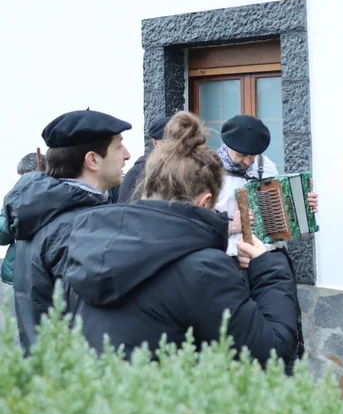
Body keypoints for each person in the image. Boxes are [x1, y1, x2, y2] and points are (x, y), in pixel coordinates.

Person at [61, 112, 299, 365]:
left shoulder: (87, 243)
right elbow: (272, 351)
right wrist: (269, 266)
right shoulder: (206, 270)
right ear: (205, 201)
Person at [5, 109, 131, 351]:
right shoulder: (76, 227)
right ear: (93, 160)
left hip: (52, 364)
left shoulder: (46, 212)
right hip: (77, 367)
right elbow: (95, 320)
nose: (127, 155)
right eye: (118, 146)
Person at [214, 114, 318, 257]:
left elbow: (279, 207)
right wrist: (231, 227)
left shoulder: (265, 165)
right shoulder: (209, 170)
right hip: (230, 255)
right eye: (242, 155)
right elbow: (196, 225)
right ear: (228, 146)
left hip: (267, 252)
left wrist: (302, 204)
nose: (247, 162)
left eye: (252, 156)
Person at [1, 152, 45, 287]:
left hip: (40, 276)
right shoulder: (14, 198)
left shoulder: (56, 196)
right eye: (22, 176)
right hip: (17, 275)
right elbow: (2, 238)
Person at [117, 115, 170, 203]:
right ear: (156, 143)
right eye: (170, 143)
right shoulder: (137, 173)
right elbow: (125, 208)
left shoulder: (189, 170)